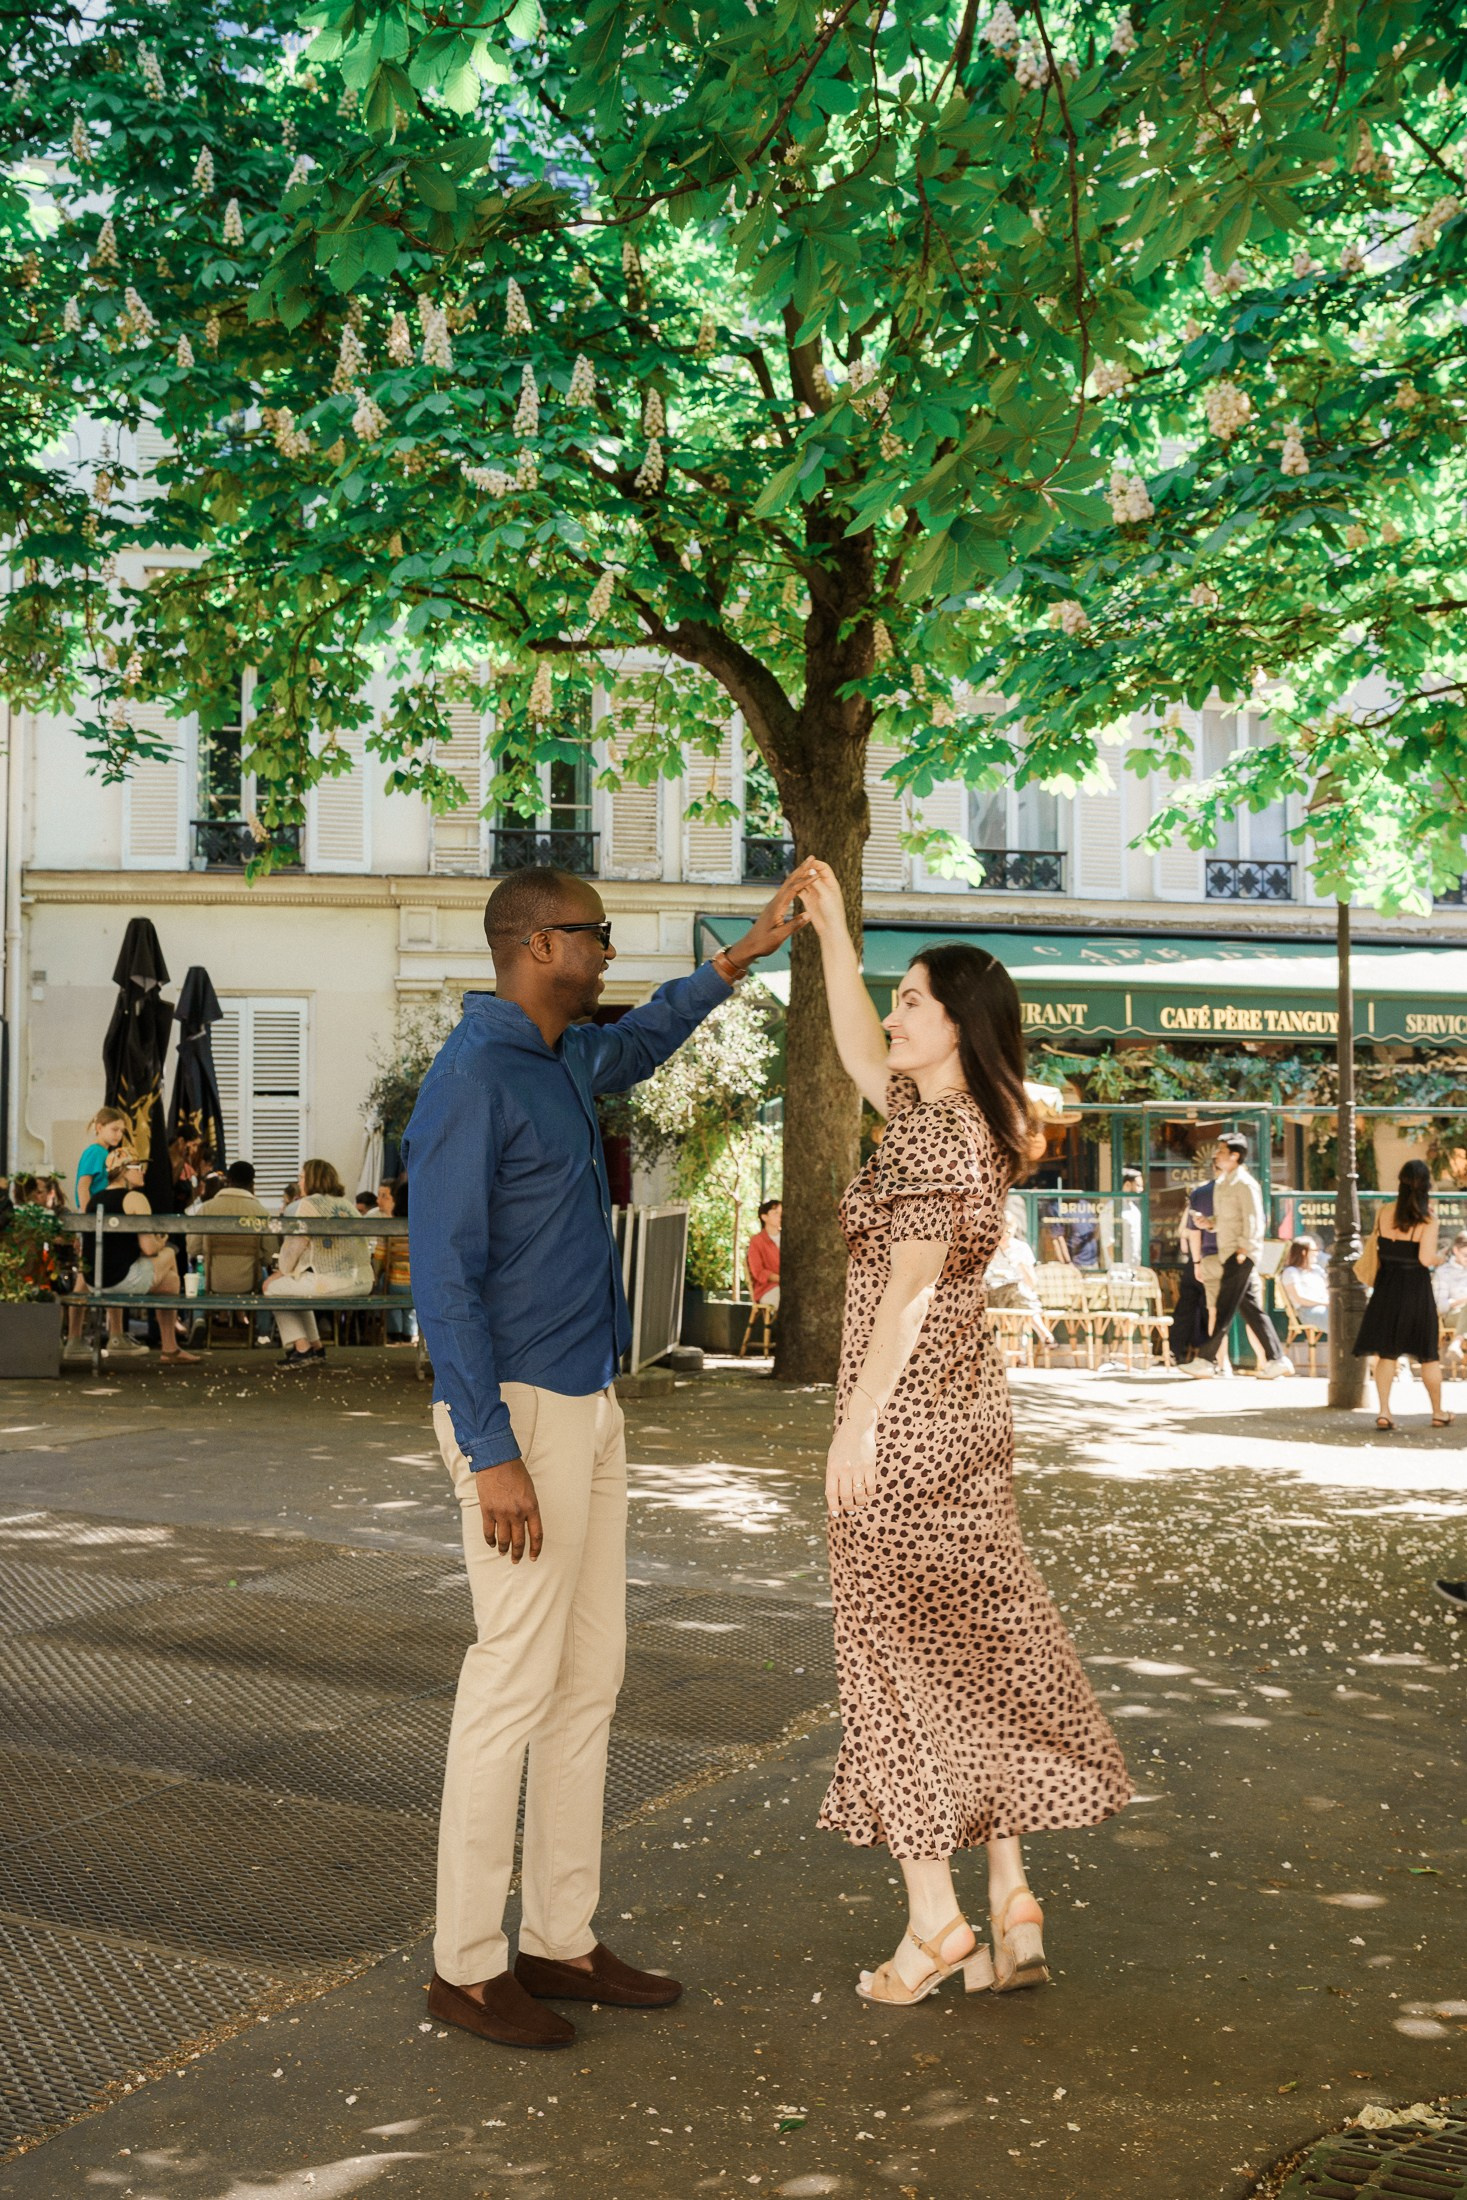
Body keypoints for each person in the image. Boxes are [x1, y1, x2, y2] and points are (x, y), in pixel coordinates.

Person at [402, 861, 810, 2052]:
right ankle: (466, 1964)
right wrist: (491, 1452)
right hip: (517, 1416)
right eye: (593, 933)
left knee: (588, 1680)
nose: (606, 946)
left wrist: (741, 956)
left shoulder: (563, 1057)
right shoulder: (473, 1078)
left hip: (587, 1400)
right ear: (537, 944)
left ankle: (558, 1935)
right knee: (510, 1683)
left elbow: (641, 1043)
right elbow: (444, 1280)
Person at [799, 858, 1130, 2007]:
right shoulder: (957, 1119)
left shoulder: (935, 1141)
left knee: (891, 1667)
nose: (893, 1014)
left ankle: (933, 1923)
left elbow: (912, 1293)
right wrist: (838, 933)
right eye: (898, 998)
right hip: (965, 1422)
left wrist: (857, 1434)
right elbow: (852, 1046)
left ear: (959, 1027)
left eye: (913, 1002)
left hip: (907, 1423)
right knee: (968, 1650)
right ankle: (1012, 1902)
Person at [1353, 1159, 1453, 1430]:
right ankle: (1437, 1412)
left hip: (1386, 1287)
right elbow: (1424, 1258)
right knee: (1428, 1354)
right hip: (1416, 1290)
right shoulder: (1428, 1219)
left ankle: (1384, 1412)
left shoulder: (1384, 1211)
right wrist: (1441, 1258)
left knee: (1387, 1353)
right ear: (1426, 1186)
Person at [1187, 1134, 1288, 1380]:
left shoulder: (1245, 1184)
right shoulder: (1224, 1183)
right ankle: (1277, 1359)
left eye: (1222, 1151)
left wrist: (1244, 1250)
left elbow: (1255, 1219)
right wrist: (1208, 1223)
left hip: (1240, 1254)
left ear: (1235, 1155)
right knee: (1251, 1308)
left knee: (1223, 1308)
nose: (1217, 1155)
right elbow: (1225, 1220)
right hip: (1229, 1252)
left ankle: (1206, 1360)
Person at [84, 1154, 199, 1364]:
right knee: (170, 1252)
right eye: (138, 1167)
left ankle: (171, 1348)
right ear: (123, 1171)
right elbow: (148, 1248)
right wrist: (162, 1242)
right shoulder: (135, 1198)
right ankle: (171, 1343)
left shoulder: (95, 1200)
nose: (143, 1171)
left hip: (96, 1282)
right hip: (123, 1279)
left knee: (170, 1281)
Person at [263, 1158, 373, 1369]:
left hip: (335, 1281)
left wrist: (281, 1272)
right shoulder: (346, 1203)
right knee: (293, 1289)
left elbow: (293, 1247)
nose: (299, 1182)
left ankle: (302, 1348)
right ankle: (316, 1346)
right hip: (363, 1280)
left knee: (272, 1288)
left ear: (312, 1179)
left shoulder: (309, 1205)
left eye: (302, 1177)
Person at [186, 1159, 277, 1294]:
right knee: (266, 1280)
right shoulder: (260, 1212)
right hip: (248, 1284)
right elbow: (270, 1256)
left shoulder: (207, 1209)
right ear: (252, 1184)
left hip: (212, 1282)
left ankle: (199, 1315)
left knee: (197, 1275)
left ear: (228, 1181)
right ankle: (263, 1315)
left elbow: (193, 1248)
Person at [983, 1219, 1055, 1351]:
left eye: (1008, 1232)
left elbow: (1032, 1282)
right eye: (1001, 1232)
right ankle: (1043, 1333)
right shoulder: (987, 1247)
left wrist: (1020, 1264)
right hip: (993, 1295)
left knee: (1018, 1296)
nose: (1004, 1236)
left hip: (1016, 1295)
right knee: (1022, 1301)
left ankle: (1020, 1355)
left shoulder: (1020, 1248)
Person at [375, 1173, 414, 1342]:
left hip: (394, 1282)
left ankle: (394, 1333)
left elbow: (379, 1257)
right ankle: (409, 1335)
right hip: (417, 1284)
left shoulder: (391, 1227)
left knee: (390, 1296)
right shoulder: (423, 1226)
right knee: (410, 1308)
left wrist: (376, 1276)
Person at [1278, 1235, 1330, 1339]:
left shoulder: (1317, 1269)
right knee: (1335, 1319)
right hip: (1308, 1310)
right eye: (1314, 1250)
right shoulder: (1291, 1272)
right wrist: (1324, 1303)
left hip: (1326, 1306)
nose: (1317, 1253)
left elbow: (1329, 1288)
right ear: (1303, 1252)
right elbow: (1300, 1298)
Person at [1432, 1231, 1467, 1369]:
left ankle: (1456, 1344)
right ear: (1455, 1250)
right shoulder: (1443, 1272)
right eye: (1465, 1255)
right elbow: (1440, 1307)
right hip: (1452, 1315)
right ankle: (1457, 1342)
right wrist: (1461, 1300)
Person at [746, 1197, 782, 1309]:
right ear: (764, 1217)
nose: (780, 1216)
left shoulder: (789, 1238)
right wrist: (781, 1279)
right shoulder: (757, 1241)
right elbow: (758, 1272)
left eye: (781, 1213)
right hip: (767, 1288)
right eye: (776, 1213)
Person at [1119, 1170, 1144, 1268]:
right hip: (1121, 1271)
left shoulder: (1135, 1209)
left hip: (1134, 1268)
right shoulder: (1114, 1208)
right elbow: (1110, 1243)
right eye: (1138, 1185)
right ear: (1127, 1185)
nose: (1141, 1190)